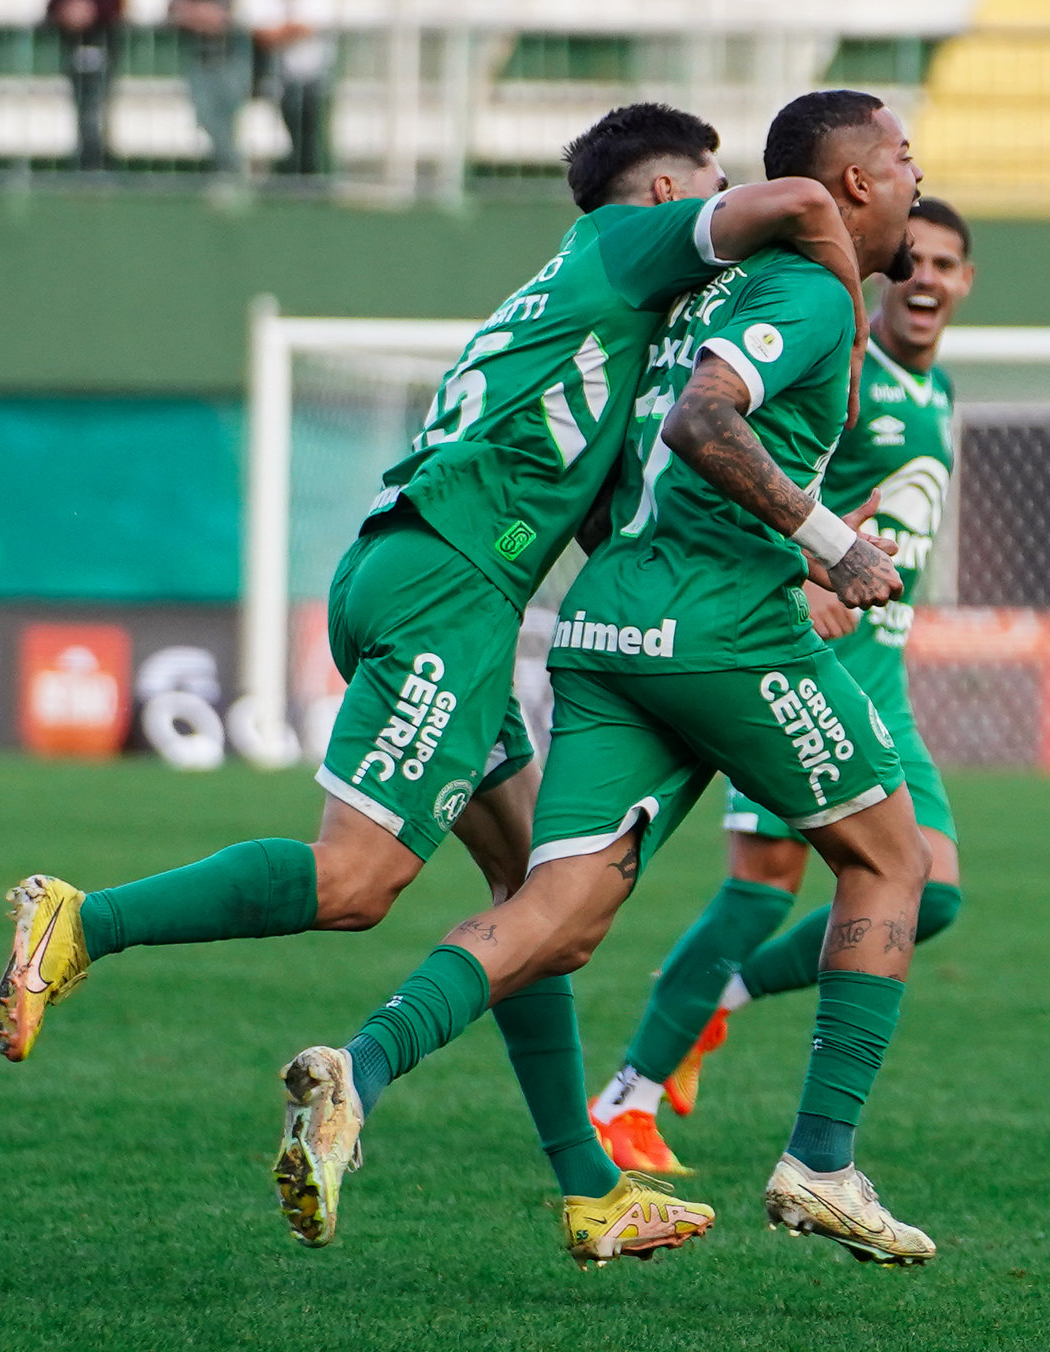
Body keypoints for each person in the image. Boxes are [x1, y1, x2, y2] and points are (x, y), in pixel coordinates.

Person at [0, 102, 872, 1266]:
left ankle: (591, 1188)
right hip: (451, 586)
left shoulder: (579, 302)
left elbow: (616, 500)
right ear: (670, 199)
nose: (725, 210)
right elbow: (806, 202)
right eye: (711, 187)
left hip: (420, 569)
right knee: (356, 881)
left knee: (525, 908)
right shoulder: (628, 246)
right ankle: (82, 920)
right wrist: (840, 306)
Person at [277, 89, 938, 1268]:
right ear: (845, 186)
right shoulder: (798, 290)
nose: (915, 183)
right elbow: (700, 421)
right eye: (900, 163)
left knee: (557, 916)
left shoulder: (679, 301)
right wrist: (825, 541)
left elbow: (627, 452)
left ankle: (354, 1072)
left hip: (602, 632)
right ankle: (822, 1160)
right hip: (721, 629)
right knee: (894, 860)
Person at [588, 197, 975, 1178]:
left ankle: (718, 1003)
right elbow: (746, 471)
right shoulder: (843, 372)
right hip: (798, 661)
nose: (925, 277)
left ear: (965, 281)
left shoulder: (939, 392)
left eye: (947, 263)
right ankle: (624, 1098)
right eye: (913, 258)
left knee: (928, 896)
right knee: (760, 887)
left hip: (881, 677)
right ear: (888, 273)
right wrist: (801, 576)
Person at [246, 0, 334, 176]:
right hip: (285, 80)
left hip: (315, 78)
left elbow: (310, 25)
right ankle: (302, 177)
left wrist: (280, 33)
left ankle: (313, 178)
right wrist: (287, 32)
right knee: (297, 132)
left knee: (311, 134)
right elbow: (262, 32)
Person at [169, 0, 249, 174]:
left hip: (232, 58)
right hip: (200, 60)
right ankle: (232, 170)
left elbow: (230, 17)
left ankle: (233, 172)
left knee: (228, 119)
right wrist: (198, 16)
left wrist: (206, 17)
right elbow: (175, 12)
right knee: (206, 117)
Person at [45, 0, 122, 172]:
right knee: (83, 108)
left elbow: (116, 8)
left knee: (93, 110)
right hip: (72, 43)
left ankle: (94, 164)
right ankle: (87, 163)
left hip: (103, 40)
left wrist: (94, 11)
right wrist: (64, 12)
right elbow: (51, 8)